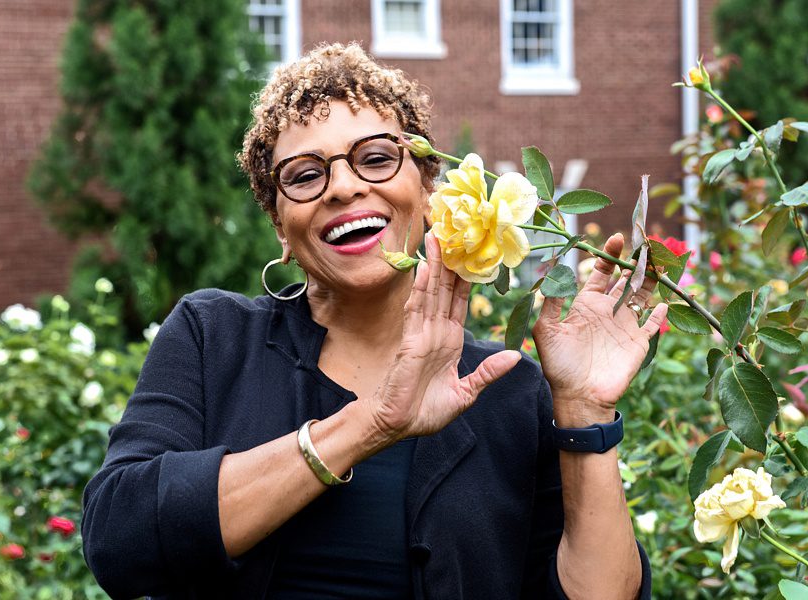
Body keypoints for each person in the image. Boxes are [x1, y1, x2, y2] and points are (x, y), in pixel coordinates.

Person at [82, 42, 667, 599]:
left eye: (378, 158)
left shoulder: (508, 388)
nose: (343, 186)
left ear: (428, 187)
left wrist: (585, 411)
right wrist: (371, 425)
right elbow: (120, 538)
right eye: (306, 175)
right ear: (280, 226)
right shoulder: (214, 338)